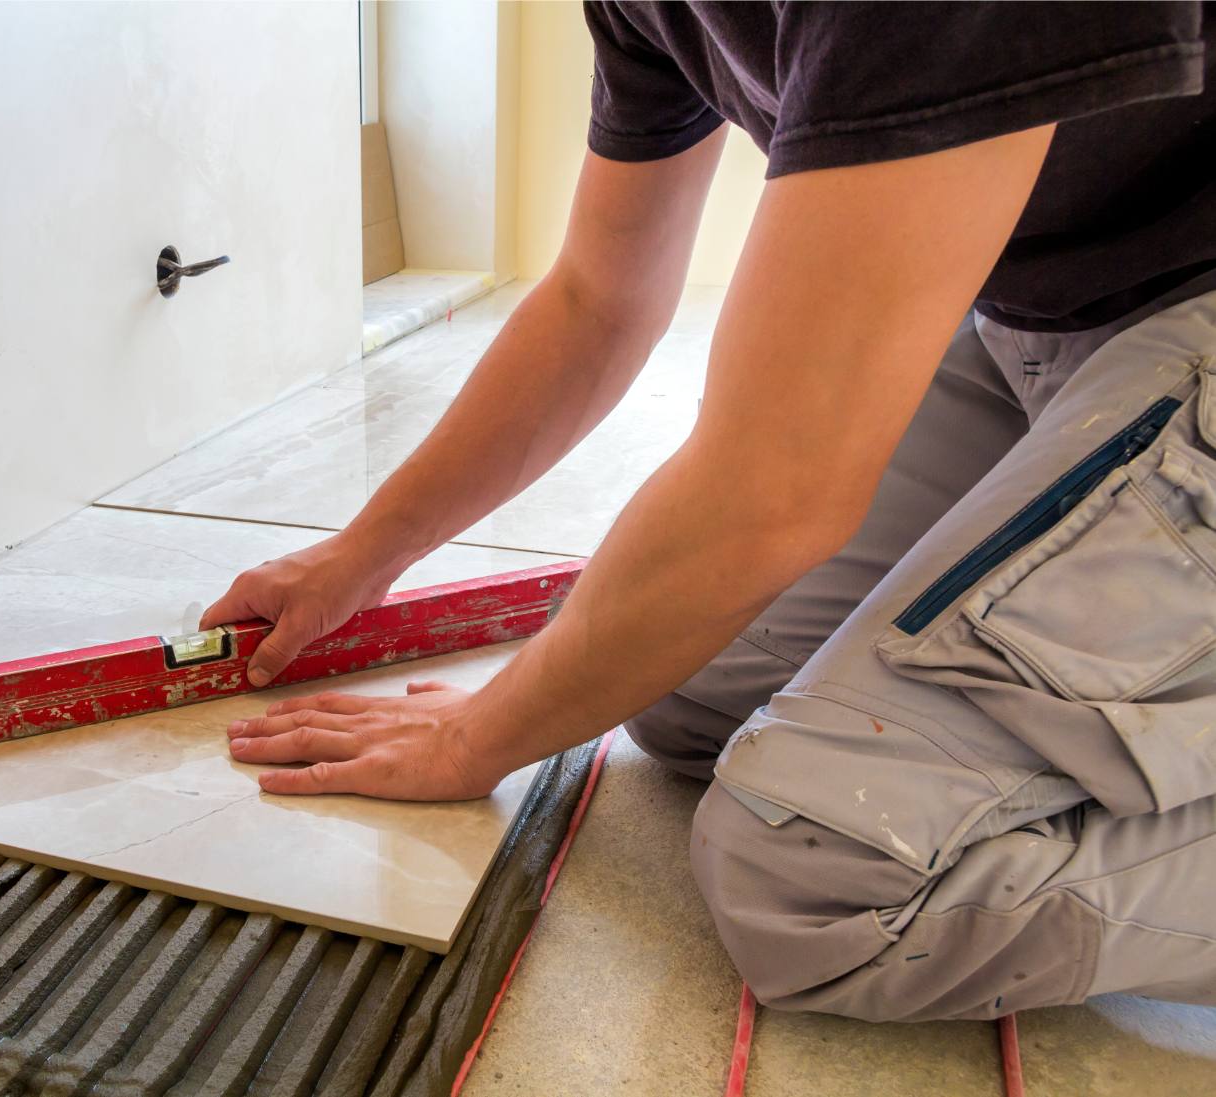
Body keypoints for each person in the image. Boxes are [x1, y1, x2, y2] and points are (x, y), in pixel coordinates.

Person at [202, 2, 1216, 1022]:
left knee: (811, 881)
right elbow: (596, 298)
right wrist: (362, 555)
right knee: (687, 691)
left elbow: (778, 490)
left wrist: (476, 738)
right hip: (1042, 323)